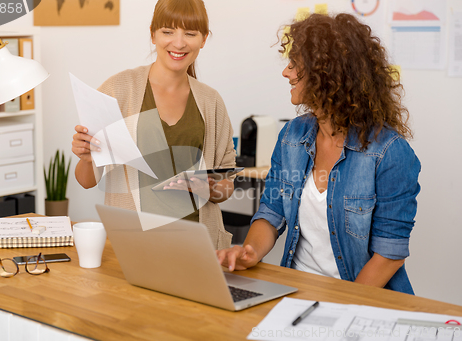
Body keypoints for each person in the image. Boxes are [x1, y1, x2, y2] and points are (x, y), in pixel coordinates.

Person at [217, 13, 421, 294]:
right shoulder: (292, 136)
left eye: (295, 65)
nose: (285, 72)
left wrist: (339, 309)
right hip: (296, 289)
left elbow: (389, 255)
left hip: (359, 298)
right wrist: (249, 251)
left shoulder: (389, 152)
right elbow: (271, 212)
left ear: (327, 75)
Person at [71, 0, 236, 250]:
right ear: (153, 34)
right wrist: (85, 157)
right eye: (168, 32)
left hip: (198, 245)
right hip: (134, 244)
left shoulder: (210, 101)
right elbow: (86, 181)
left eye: (190, 34)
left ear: (203, 39)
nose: (178, 43)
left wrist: (209, 189)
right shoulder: (119, 89)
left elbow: (227, 184)